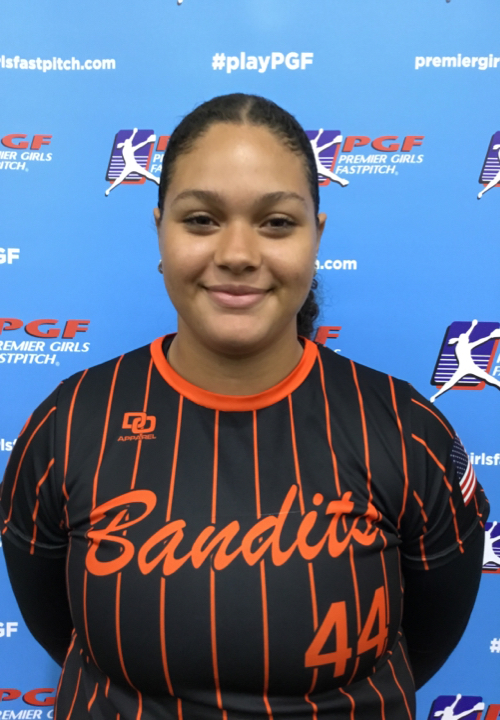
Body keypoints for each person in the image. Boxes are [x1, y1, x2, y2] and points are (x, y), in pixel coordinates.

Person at [0, 94, 488, 720]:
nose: (237, 253)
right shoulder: (68, 424)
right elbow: (55, 622)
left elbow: (429, 634)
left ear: (317, 236)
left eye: (276, 222)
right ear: (160, 230)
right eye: (201, 219)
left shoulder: (405, 429)